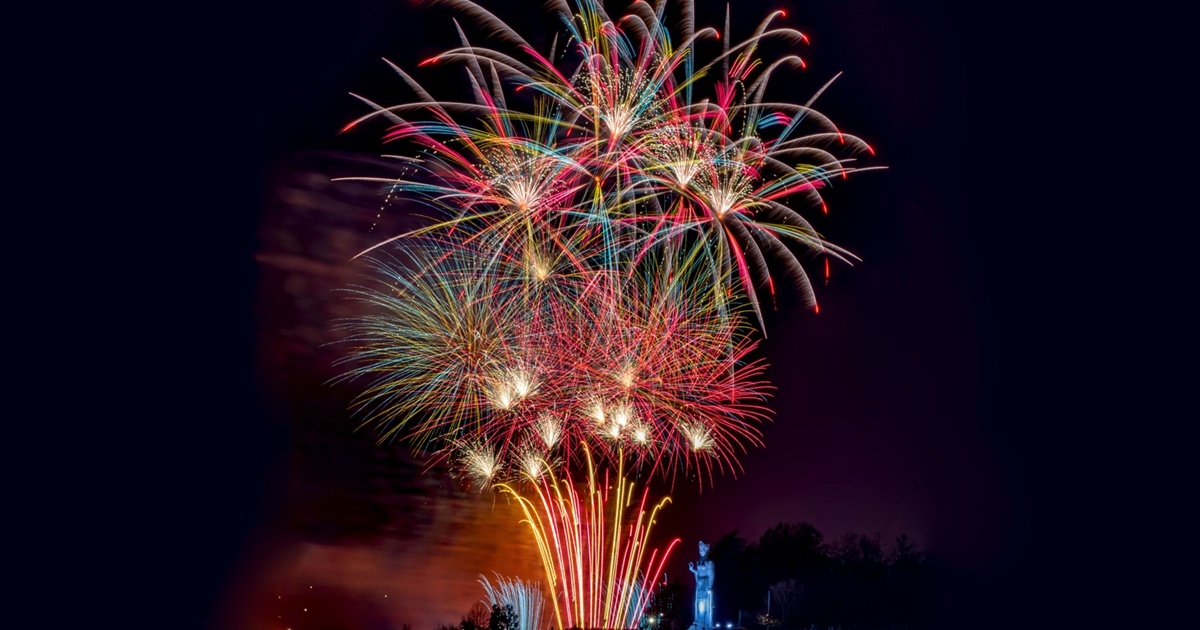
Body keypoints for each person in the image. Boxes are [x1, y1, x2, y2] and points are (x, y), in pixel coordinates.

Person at [688, 540, 715, 629]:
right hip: (699, 585)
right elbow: (698, 572)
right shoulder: (698, 562)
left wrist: (710, 586)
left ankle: (705, 623)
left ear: (706, 550)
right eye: (700, 549)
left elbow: (711, 574)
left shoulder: (710, 562)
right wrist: (692, 570)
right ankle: (698, 621)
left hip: (705, 585)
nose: (701, 551)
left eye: (703, 549)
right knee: (698, 603)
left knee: (705, 604)